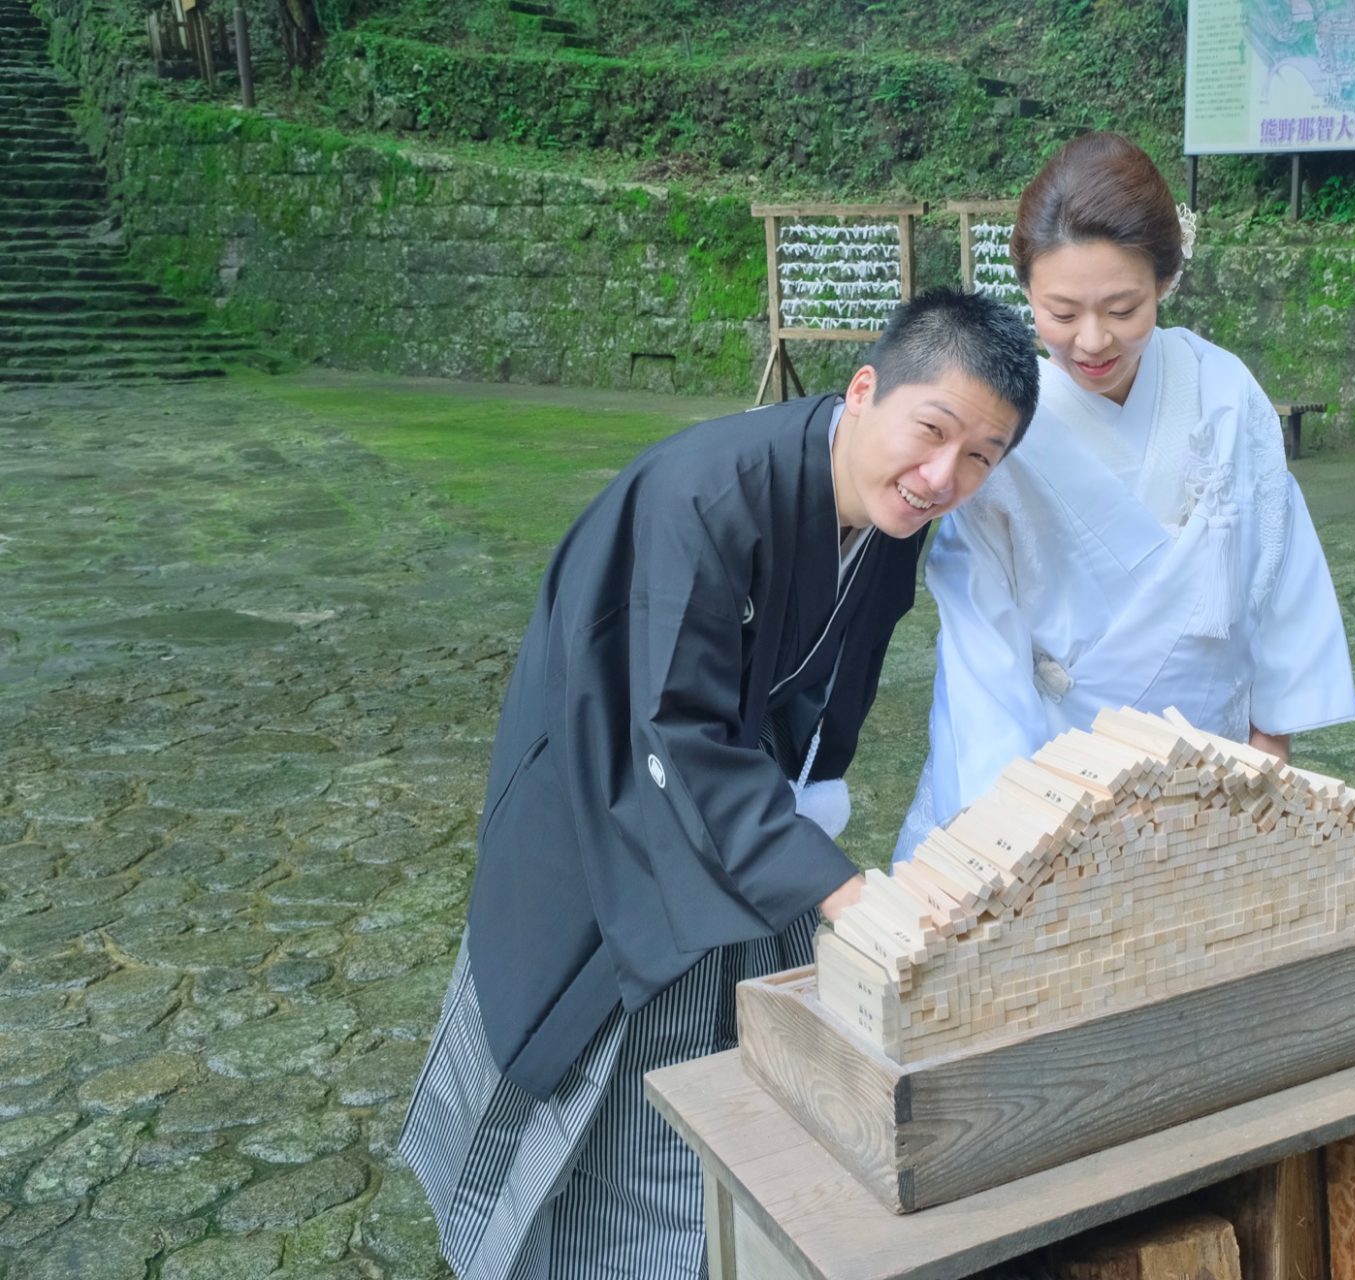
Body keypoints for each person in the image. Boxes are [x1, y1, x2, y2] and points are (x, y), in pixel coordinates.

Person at [400, 287, 1040, 1280]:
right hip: (607, 787)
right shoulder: (705, 496)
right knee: (612, 1049)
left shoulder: (886, 514)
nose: (939, 477)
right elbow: (672, 731)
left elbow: (844, 676)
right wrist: (836, 883)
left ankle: (728, 1234)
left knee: (750, 1013)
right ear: (865, 388)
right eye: (932, 432)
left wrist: (816, 799)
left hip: (736, 796)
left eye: (979, 459)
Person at [894, 133, 1355, 863]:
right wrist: (1012, 814)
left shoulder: (1223, 391)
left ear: (1166, 281)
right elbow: (980, 623)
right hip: (1052, 759)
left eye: (1122, 308)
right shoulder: (1003, 422)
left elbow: (1280, 567)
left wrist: (1270, 742)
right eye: (1060, 310)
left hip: (1211, 755)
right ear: (1025, 292)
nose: (1091, 341)